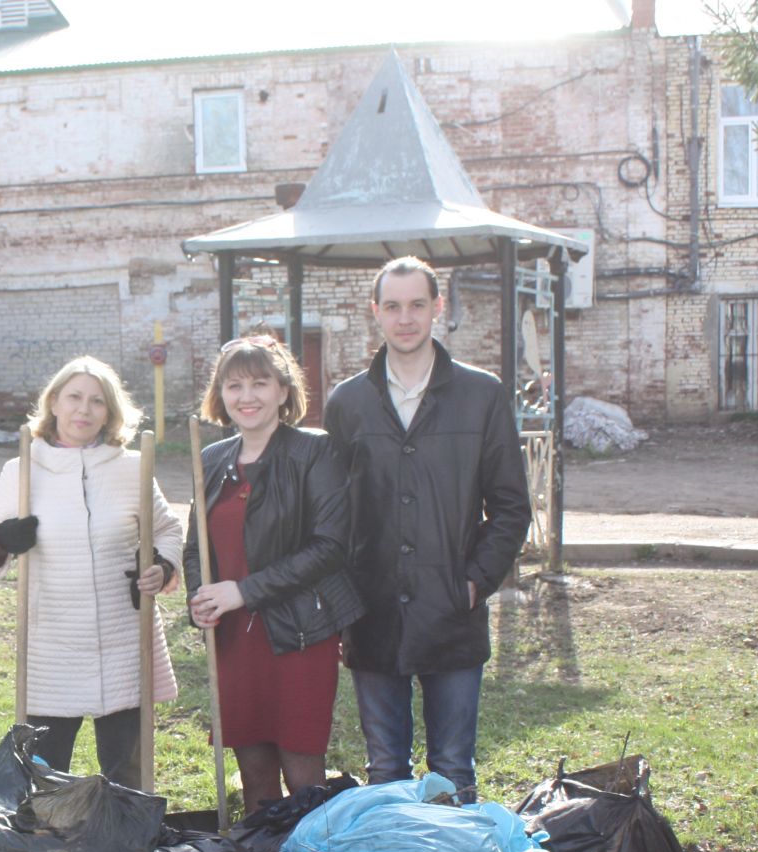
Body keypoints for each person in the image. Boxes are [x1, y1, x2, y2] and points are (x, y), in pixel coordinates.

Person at [322, 256, 531, 802]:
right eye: (392, 306)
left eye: (417, 304)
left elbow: (510, 506)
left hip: (452, 612)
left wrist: (474, 581)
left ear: (438, 308)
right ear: (376, 313)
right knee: (386, 770)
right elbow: (333, 515)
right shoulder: (348, 403)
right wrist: (346, 598)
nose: (405, 318)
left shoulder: (481, 396)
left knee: (453, 773)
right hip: (373, 613)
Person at [0, 356, 180, 786]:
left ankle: (128, 848)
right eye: (74, 397)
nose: (84, 410)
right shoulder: (23, 470)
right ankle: (50, 850)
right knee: (45, 776)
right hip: (52, 646)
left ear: (111, 412)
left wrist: (161, 567)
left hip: (123, 640)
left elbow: (168, 531)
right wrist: (1, 540)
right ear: (53, 402)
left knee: (128, 772)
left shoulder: (131, 468)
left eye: (97, 401)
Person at [184, 334, 362, 811]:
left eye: (260, 383)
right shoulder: (211, 460)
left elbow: (329, 547)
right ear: (220, 395)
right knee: (254, 773)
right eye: (234, 385)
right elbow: (195, 547)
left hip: (300, 633)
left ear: (283, 391)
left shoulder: (314, 452)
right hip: (234, 639)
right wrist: (199, 597)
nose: (247, 397)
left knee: (302, 772)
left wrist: (244, 591)